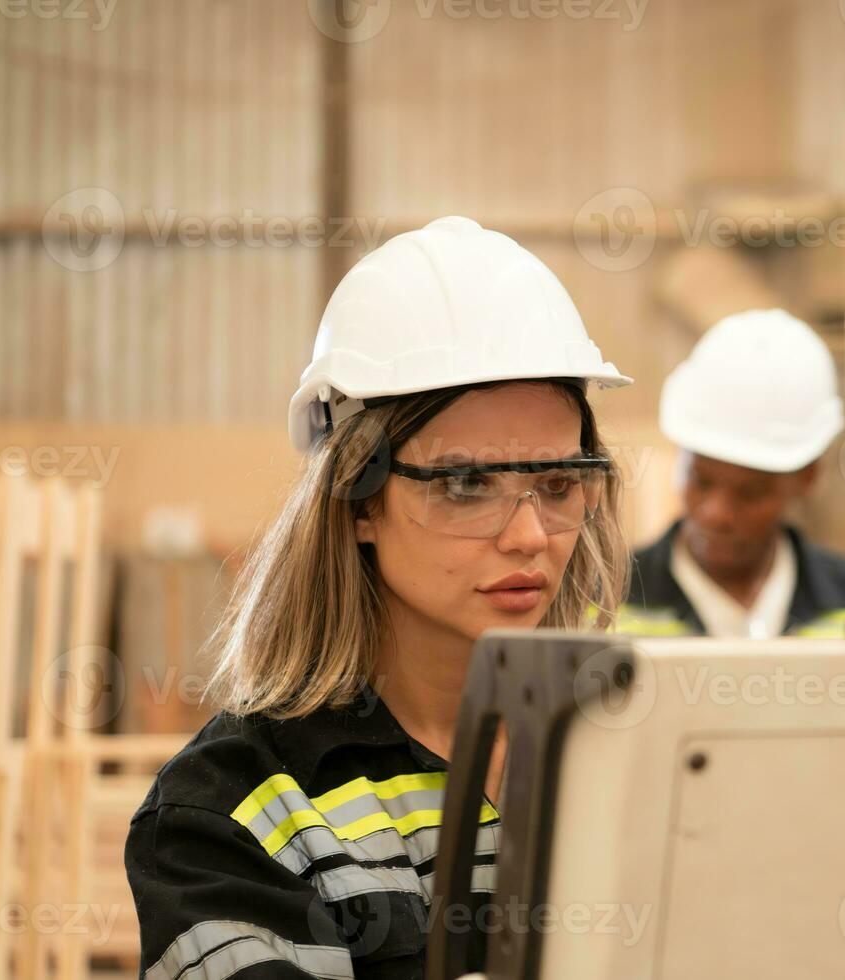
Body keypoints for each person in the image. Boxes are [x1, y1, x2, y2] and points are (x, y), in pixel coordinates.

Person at [123, 217, 632, 977]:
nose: (530, 535)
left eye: (556, 484)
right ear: (359, 502)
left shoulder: (642, 754)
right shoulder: (235, 813)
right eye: (467, 484)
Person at [619, 308, 845, 639]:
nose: (716, 513)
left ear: (806, 479)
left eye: (749, 493)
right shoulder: (607, 603)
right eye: (701, 480)